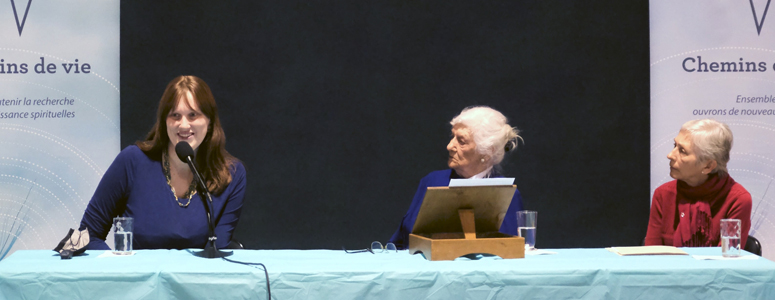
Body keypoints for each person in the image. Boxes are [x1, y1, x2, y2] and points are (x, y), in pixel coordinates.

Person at [79, 75, 246, 250]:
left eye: (193, 115)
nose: (183, 125)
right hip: (137, 276)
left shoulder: (231, 174)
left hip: (195, 276)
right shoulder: (132, 161)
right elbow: (88, 236)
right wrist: (121, 271)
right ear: (164, 121)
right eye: (175, 115)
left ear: (209, 121)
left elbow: (217, 249)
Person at [388, 106, 524, 250]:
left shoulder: (506, 194)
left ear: (487, 151)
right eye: (452, 137)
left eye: (461, 141)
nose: (449, 146)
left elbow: (510, 250)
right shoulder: (432, 182)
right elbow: (401, 240)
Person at [645, 119, 751, 247]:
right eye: (675, 146)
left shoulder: (737, 200)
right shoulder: (663, 194)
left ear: (708, 166)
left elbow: (727, 260)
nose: (670, 155)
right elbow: (651, 255)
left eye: (682, 151)